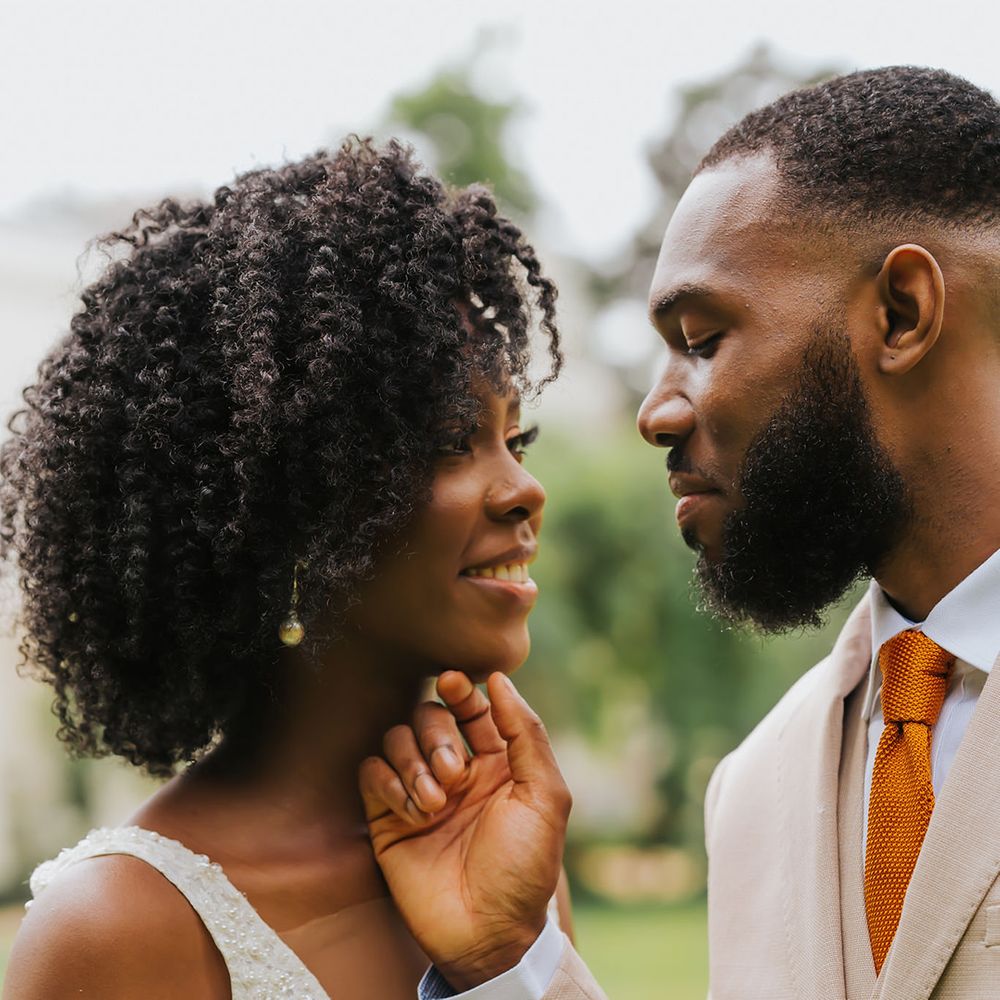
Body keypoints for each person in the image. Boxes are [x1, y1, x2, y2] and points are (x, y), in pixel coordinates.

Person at [362, 66, 1000, 999]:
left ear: (901, 313)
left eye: (701, 340)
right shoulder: (757, 791)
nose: (656, 413)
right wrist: (506, 963)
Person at [0, 138, 573, 999]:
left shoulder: (503, 850)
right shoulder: (115, 934)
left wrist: (495, 964)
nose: (524, 488)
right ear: (294, 499)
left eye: (513, 439)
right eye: (453, 442)